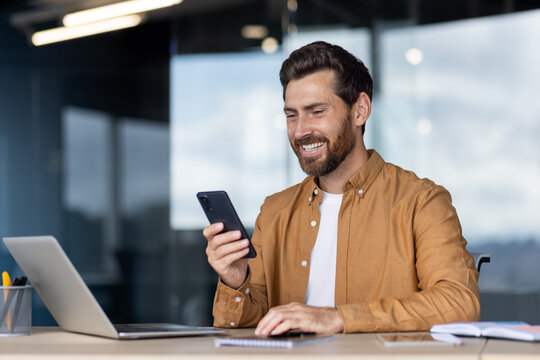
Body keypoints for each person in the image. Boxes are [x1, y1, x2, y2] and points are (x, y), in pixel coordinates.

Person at [203, 41, 480, 335]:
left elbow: (459, 303)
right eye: (291, 115)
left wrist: (338, 318)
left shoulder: (422, 202)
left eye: (316, 111)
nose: (300, 131)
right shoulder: (275, 211)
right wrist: (236, 280)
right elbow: (250, 322)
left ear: (360, 111)